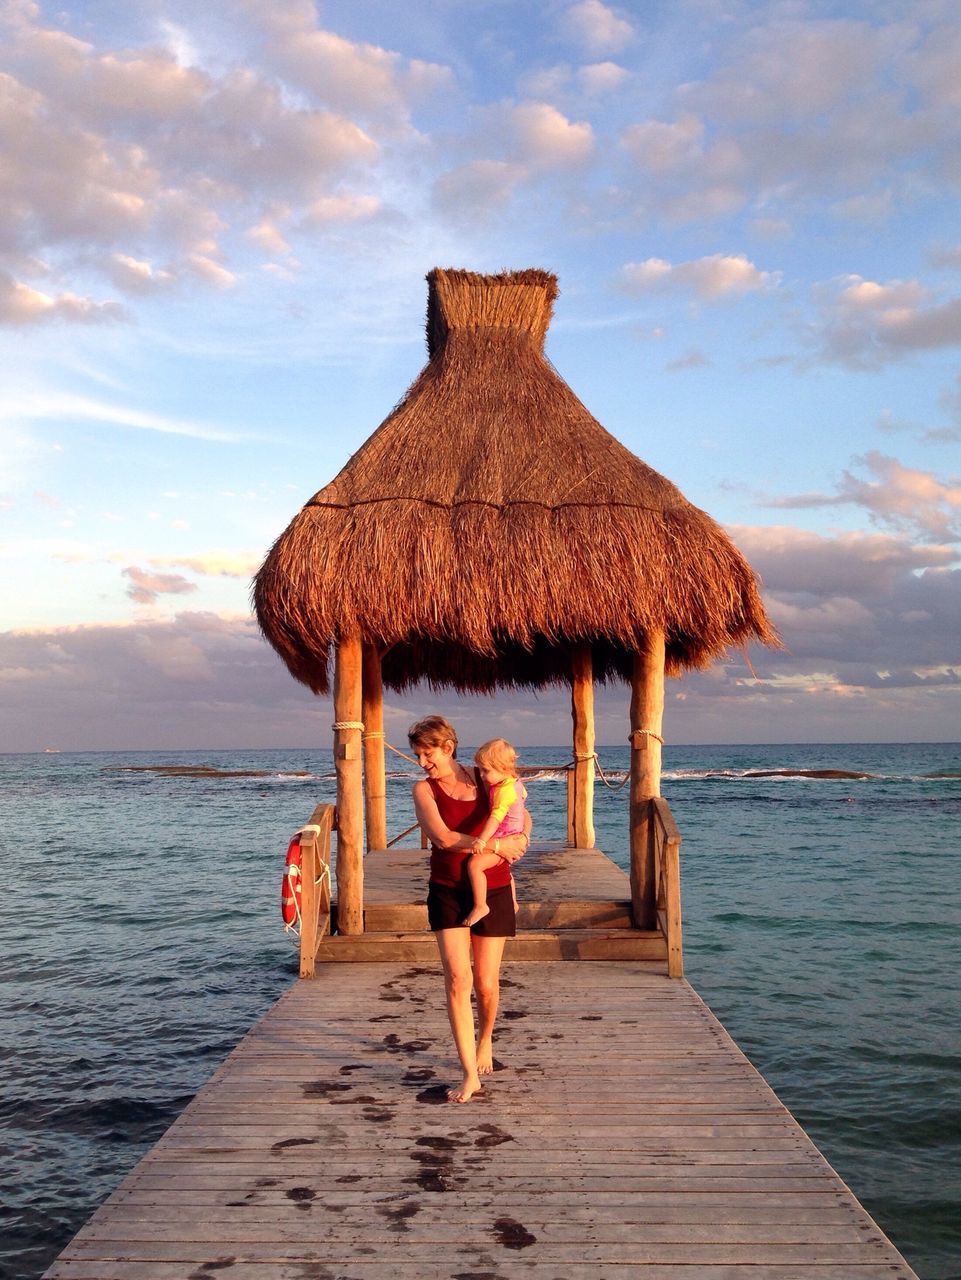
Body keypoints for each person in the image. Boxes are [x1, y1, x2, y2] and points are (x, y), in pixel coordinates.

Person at [409, 715, 531, 1103]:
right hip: (446, 890)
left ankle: (485, 1039)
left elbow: (520, 810)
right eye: (417, 755)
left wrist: (523, 838)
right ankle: (468, 1074)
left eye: (428, 754)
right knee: (459, 981)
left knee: (486, 984)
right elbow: (443, 838)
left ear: (448, 747)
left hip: (493, 887)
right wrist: (496, 847)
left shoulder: (484, 775)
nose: (422, 762)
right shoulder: (423, 790)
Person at [463, 738, 526, 927]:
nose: (481, 775)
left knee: (474, 865)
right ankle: (513, 902)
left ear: (503, 768)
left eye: (486, 770)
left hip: (505, 838)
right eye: (480, 769)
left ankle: (481, 905)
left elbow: (495, 818)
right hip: (514, 836)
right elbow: (523, 799)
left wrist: (481, 840)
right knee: (505, 868)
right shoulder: (514, 784)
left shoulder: (503, 791)